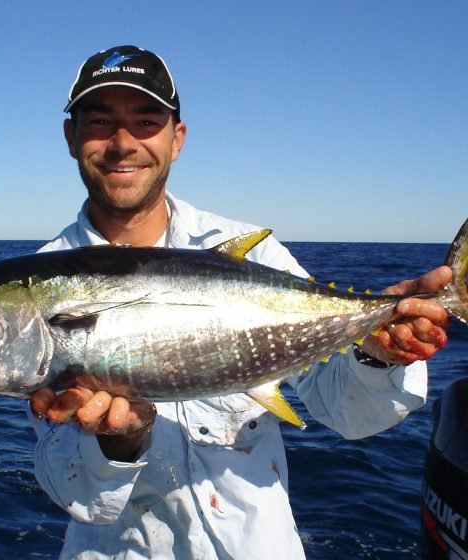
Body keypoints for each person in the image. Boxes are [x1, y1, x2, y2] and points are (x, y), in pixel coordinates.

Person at [29, 45, 451, 559]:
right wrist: (120, 441)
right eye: (99, 121)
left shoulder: (252, 251)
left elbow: (351, 415)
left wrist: (376, 352)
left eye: (145, 121)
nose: (123, 143)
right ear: (71, 137)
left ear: (176, 139)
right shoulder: (41, 286)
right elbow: (74, 494)